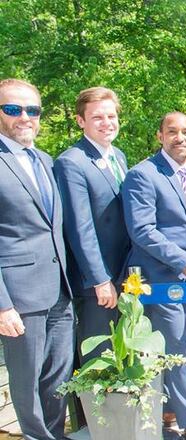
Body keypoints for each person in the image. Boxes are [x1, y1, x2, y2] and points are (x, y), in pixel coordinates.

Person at [122, 112, 186, 439]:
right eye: (172, 132)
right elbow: (142, 231)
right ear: (160, 136)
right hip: (158, 279)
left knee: (177, 345)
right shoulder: (142, 174)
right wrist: (184, 261)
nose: (180, 138)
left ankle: (172, 408)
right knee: (177, 348)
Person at [0, 78, 74, 440]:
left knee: (58, 376)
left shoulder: (45, 160)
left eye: (33, 110)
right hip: (20, 298)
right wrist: (2, 306)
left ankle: (54, 434)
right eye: (13, 109)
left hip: (60, 290)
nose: (25, 117)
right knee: (27, 381)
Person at [54, 87, 129, 363]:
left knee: (121, 356)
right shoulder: (71, 162)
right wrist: (100, 279)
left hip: (122, 276)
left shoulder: (118, 156)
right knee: (98, 361)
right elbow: (79, 228)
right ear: (80, 121)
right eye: (97, 117)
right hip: (97, 283)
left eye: (111, 116)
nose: (107, 123)